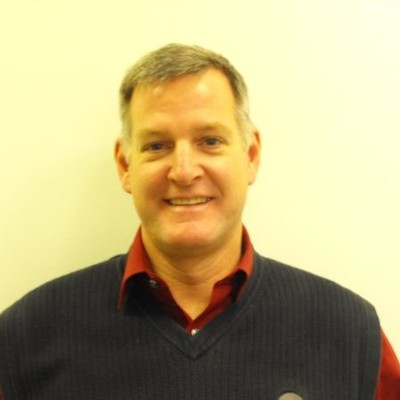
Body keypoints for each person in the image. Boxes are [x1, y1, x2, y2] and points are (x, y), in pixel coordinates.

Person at [0, 44, 399, 400]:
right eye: (157, 145)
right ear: (125, 165)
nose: (184, 170)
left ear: (250, 155)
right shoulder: (24, 338)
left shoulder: (349, 331)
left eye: (210, 141)